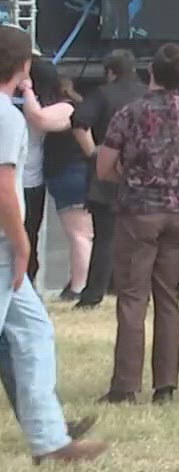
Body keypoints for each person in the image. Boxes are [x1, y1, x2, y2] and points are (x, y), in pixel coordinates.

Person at [0, 27, 105, 461]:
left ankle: (49, 438)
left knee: (34, 333)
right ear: (24, 65)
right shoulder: (6, 116)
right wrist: (22, 242)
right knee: (30, 335)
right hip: (3, 245)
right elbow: (4, 186)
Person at [93, 44, 179, 405]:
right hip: (176, 211)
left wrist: (132, 176)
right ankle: (165, 385)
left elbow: (104, 166)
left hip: (137, 212)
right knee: (169, 300)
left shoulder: (129, 113)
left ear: (150, 72)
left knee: (133, 300)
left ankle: (125, 385)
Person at [73, 51, 143, 310]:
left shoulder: (103, 94)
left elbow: (79, 123)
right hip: (143, 172)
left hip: (108, 170)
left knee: (105, 237)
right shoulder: (147, 94)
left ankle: (93, 294)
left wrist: (93, 152)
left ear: (110, 72)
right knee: (139, 238)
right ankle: (130, 289)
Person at [32, 61, 89, 300]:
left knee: (79, 233)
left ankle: (78, 286)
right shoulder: (72, 103)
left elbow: (40, 120)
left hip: (70, 172)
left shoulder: (66, 107)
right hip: (68, 172)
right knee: (80, 233)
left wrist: (25, 94)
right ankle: (78, 283)